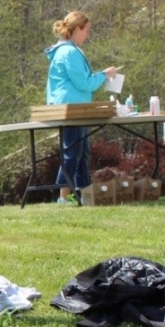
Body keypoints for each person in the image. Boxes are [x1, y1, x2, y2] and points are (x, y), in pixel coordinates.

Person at [46, 10, 118, 205]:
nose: (88, 35)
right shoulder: (69, 52)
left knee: (82, 151)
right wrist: (104, 75)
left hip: (76, 108)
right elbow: (85, 83)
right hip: (70, 109)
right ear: (77, 29)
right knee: (72, 151)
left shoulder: (68, 51)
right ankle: (63, 197)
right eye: (86, 30)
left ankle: (84, 194)